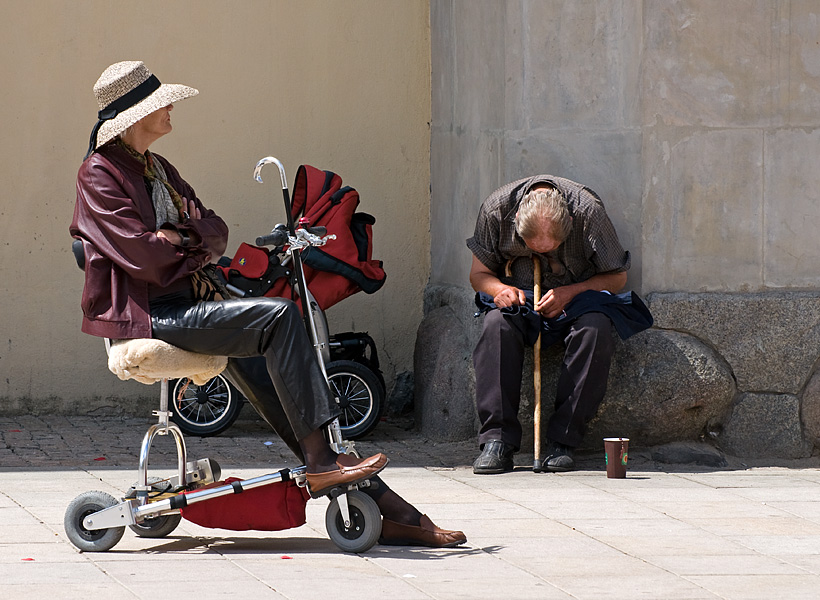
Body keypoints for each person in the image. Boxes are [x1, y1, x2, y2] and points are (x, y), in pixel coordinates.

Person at [71, 61, 465, 547]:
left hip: (196, 301)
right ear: (135, 116)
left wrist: (178, 236)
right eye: (161, 103)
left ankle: (376, 499)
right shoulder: (99, 174)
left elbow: (216, 230)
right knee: (280, 316)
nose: (171, 107)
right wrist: (181, 243)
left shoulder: (158, 168)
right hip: (155, 314)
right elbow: (144, 259)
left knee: (279, 369)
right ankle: (325, 465)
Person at [467, 175, 631, 474]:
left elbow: (617, 277)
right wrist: (498, 290)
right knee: (496, 326)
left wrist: (572, 292)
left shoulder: (588, 212)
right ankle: (497, 441)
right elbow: (479, 275)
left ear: (570, 221)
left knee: (596, 329)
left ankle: (564, 441)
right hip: (519, 299)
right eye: (534, 247)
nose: (543, 253)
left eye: (551, 247)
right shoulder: (496, 210)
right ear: (516, 219)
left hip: (576, 299)